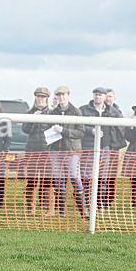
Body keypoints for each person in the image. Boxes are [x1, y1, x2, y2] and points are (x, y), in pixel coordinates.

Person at [46, 86, 87, 217]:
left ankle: (83, 211)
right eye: (59, 95)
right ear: (56, 97)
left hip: (71, 151)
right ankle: (61, 212)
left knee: (75, 178)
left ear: (68, 96)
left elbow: (81, 132)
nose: (61, 97)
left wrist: (64, 131)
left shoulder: (76, 111)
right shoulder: (52, 113)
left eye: (64, 95)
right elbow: (47, 129)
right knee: (58, 180)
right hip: (55, 151)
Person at [78, 87, 113, 212]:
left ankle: (100, 204)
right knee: (87, 178)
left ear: (104, 97)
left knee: (102, 178)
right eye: (95, 94)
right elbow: (79, 124)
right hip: (88, 147)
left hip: (105, 148)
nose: (97, 97)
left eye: (100, 95)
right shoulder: (83, 109)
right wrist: (91, 130)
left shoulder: (111, 111)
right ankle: (87, 203)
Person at [21, 87, 51, 215]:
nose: (40, 99)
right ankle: (31, 208)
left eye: (42, 97)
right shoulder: (29, 112)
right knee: (31, 181)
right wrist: (33, 119)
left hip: (46, 151)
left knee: (47, 181)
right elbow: (25, 130)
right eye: (38, 97)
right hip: (32, 151)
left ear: (47, 99)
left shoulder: (52, 113)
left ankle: (48, 208)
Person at [103, 88, 127, 208]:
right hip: (102, 145)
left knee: (111, 174)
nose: (108, 98)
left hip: (114, 147)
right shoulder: (100, 110)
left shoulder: (117, 111)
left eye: (110, 96)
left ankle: (109, 199)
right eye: (106, 96)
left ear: (114, 98)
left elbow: (122, 126)